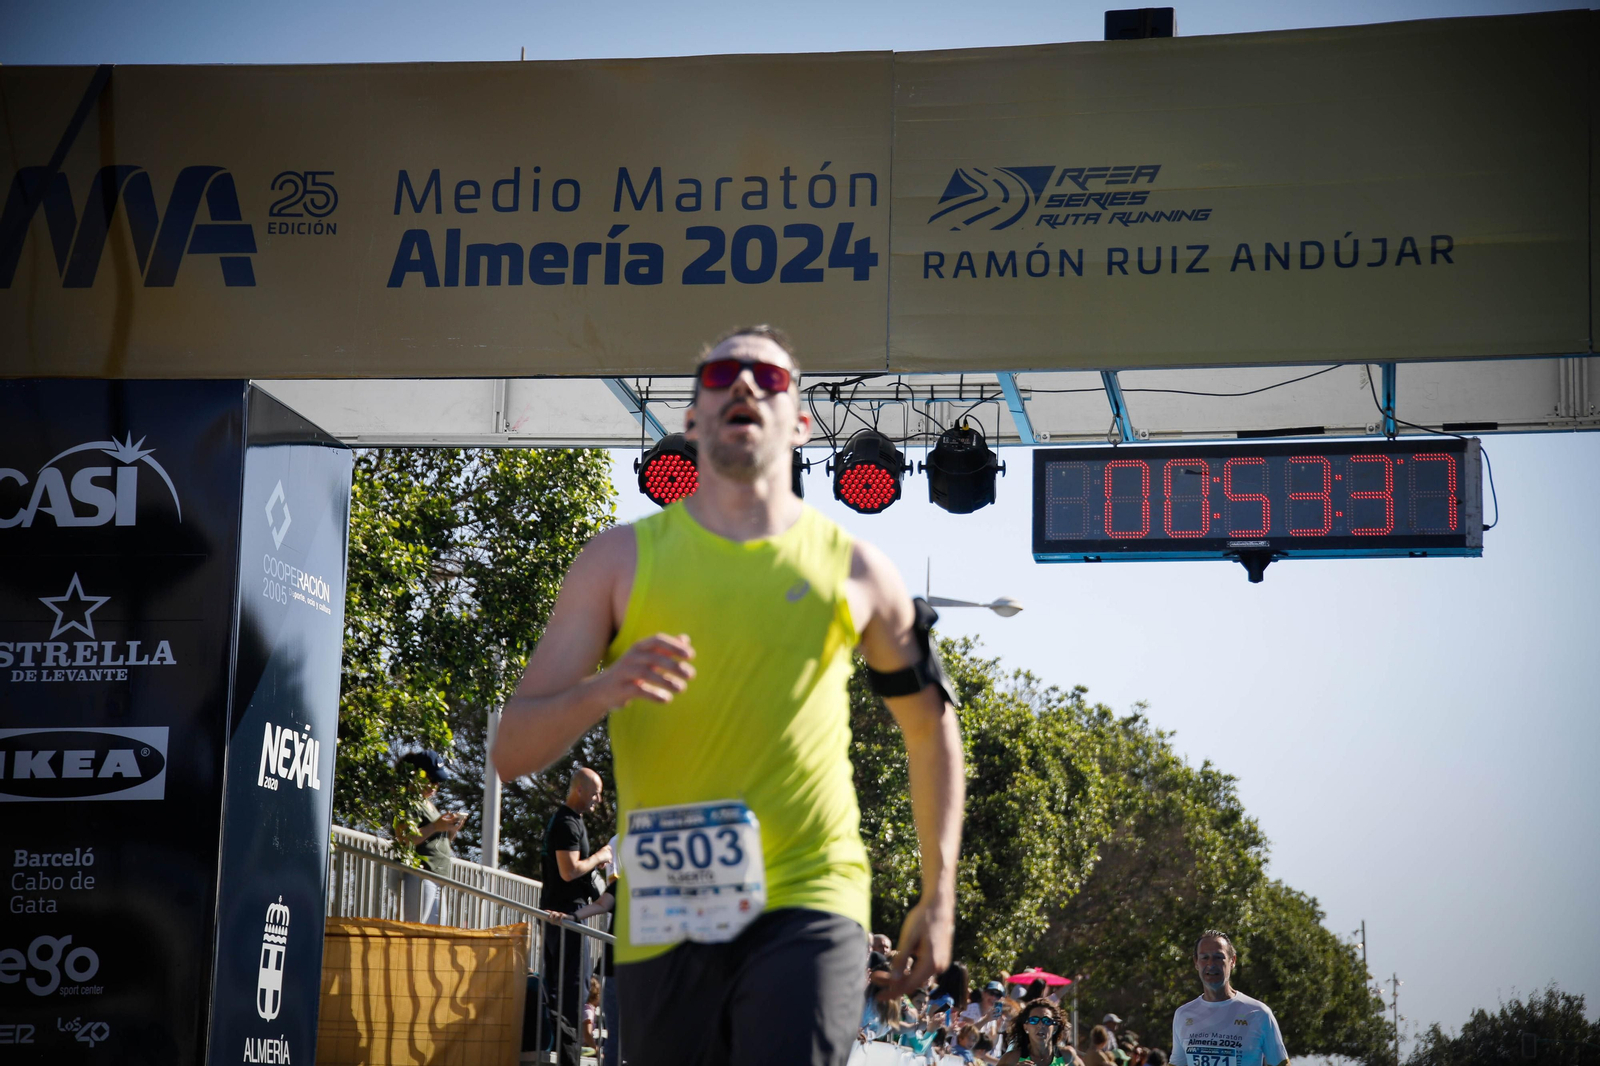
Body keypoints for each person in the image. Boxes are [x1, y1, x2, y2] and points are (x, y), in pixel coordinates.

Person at [493, 325, 966, 1066]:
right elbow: (509, 751)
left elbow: (931, 731)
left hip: (810, 899)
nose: (744, 385)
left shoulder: (859, 570)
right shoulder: (616, 562)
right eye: (720, 375)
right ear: (692, 419)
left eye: (770, 379)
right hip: (666, 910)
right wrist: (604, 688)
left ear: (800, 423)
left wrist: (939, 898)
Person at [540, 769, 612, 1066]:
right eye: (595, 793)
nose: (598, 800)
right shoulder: (567, 822)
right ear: (579, 790)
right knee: (569, 992)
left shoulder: (572, 821)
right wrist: (599, 856)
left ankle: (566, 1055)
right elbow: (568, 871)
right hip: (565, 915)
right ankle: (568, 1059)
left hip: (565, 914)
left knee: (569, 990)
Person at [1171, 930, 1290, 1066]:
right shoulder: (1183, 1014)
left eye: (1218, 957)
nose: (1211, 964)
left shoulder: (1259, 1013)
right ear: (1196, 962)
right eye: (1204, 957)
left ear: (1232, 961)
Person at [395, 752, 464, 924]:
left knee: (435, 936)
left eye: (437, 782)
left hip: (438, 877)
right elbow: (405, 838)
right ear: (417, 775)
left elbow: (438, 841)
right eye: (431, 779)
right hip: (421, 873)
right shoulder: (409, 801)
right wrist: (435, 826)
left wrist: (451, 830)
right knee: (415, 929)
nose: (435, 786)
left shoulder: (429, 804)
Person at [999, 998, 1070, 1065]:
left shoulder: (1067, 1056)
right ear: (1026, 1027)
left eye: (1046, 1021)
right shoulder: (1012, 1059)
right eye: (1034, 1020)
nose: (1040, 1025)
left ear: (1055, 1028)